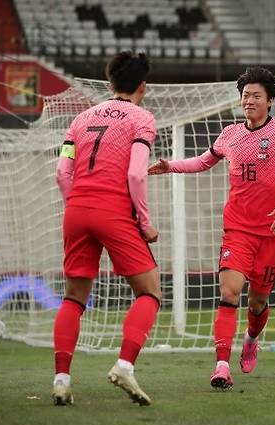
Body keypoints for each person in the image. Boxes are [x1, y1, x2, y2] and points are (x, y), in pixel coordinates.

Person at [149, 66, 275, 390]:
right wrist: (170, 165)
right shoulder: (229, 134)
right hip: (237, 229)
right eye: (245, 95)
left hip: (272, 233)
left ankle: (252, 339)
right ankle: (222, 366)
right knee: (229, 292)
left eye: (256, 95)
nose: (249, 100)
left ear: (270, 101)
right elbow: (203, 161)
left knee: (257, 303)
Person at [53, 51, 160, 406]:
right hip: (113, 211)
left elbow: (61, 172)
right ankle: (125, 365)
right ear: (143, 86)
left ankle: (62, 380)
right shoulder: (142, 119)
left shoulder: (80, 120)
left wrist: (78, 204)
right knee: (149, 292)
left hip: (77, 210)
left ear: (110, 83)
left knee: (73, 297)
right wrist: (144, 222)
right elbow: (135, 174)